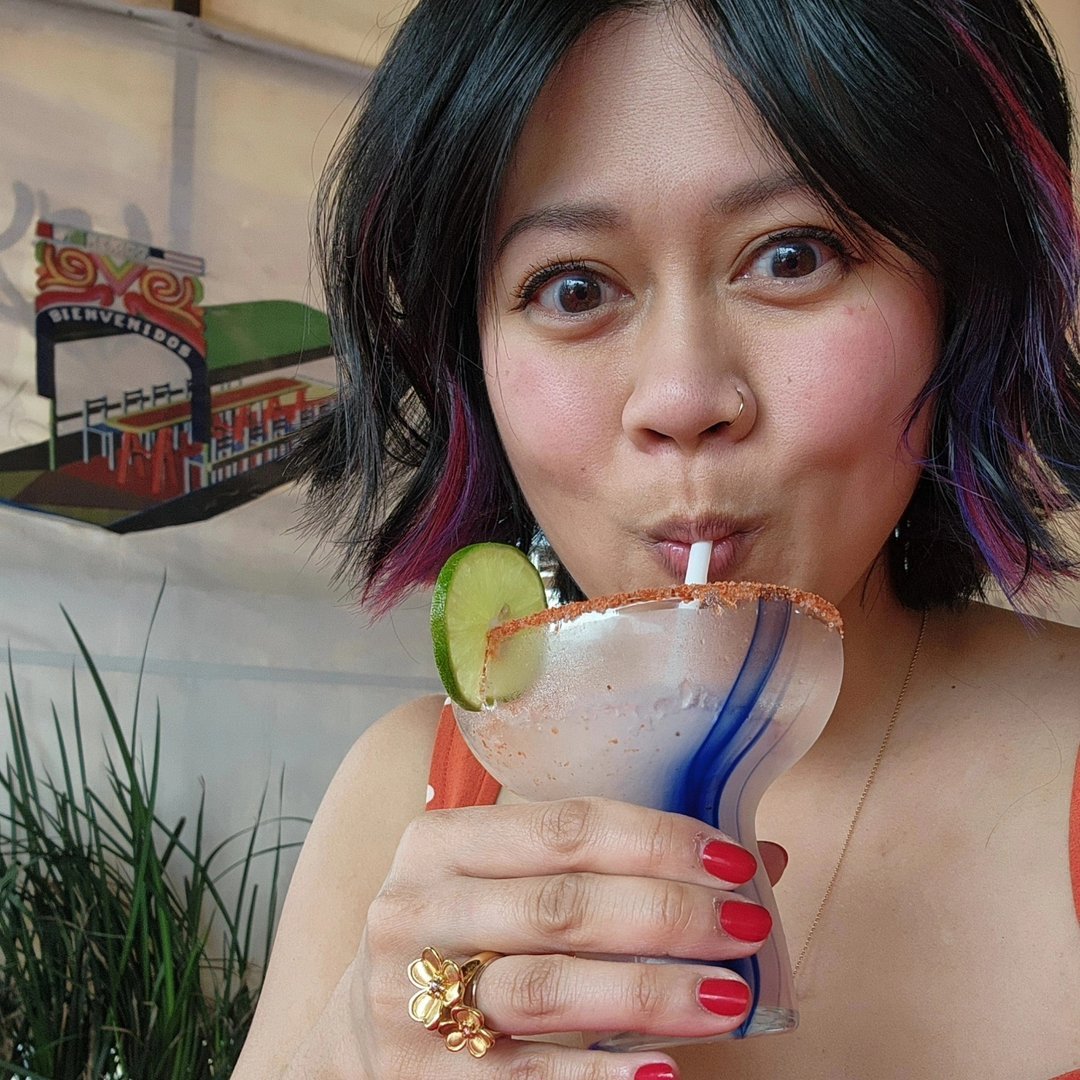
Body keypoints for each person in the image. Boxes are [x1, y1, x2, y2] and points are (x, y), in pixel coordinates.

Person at [234, 1, 1080, 1076]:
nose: (683, 396)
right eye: (573, 287)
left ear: (956, 300)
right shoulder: (402, 800)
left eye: (792, 257)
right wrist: (350, 1056)